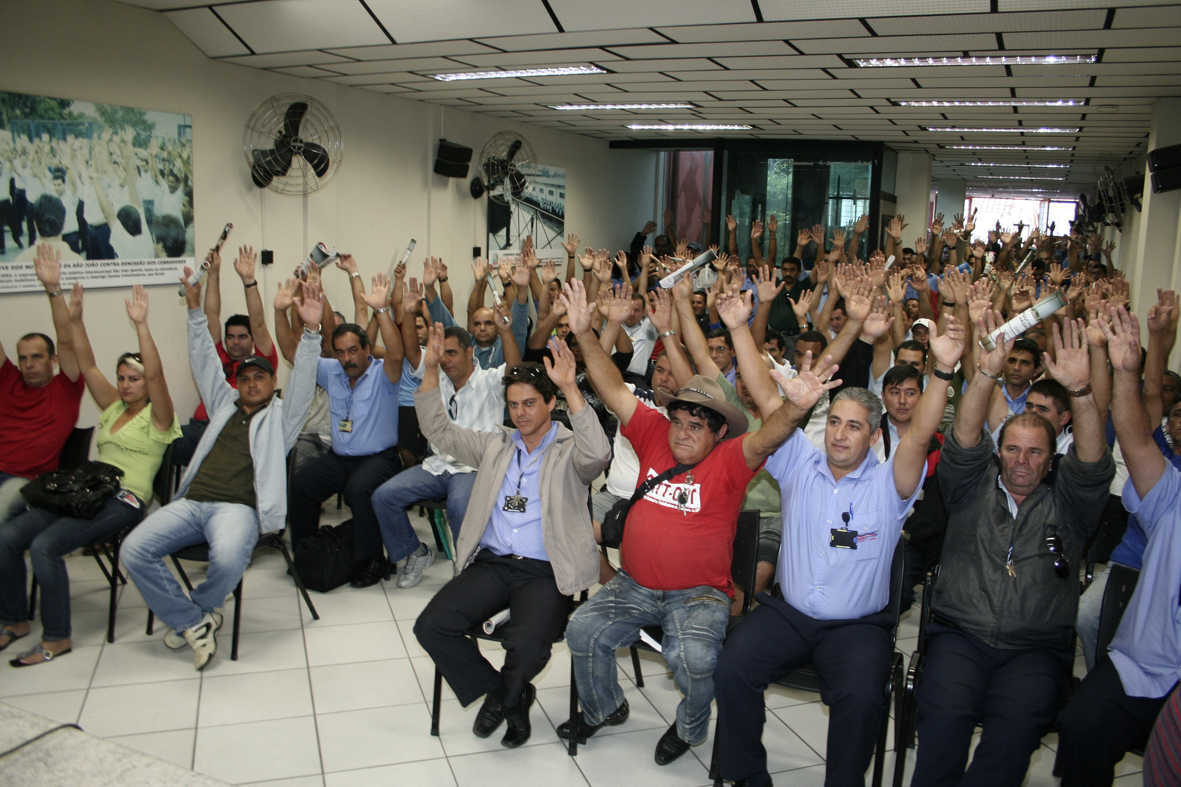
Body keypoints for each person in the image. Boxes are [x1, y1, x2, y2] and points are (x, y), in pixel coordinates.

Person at [557, 279, 816, 766]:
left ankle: (691, 725)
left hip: (698, 591)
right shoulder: (653, 432)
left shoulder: (733, 459)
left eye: (696, 425)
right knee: (582, 630)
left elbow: (771, 436)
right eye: (679, 420)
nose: (681, 432)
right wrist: (585, 333)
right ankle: (605, 707)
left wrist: (798, 407)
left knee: (695, 661)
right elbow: (611, 388)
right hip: (633, 584)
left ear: (719, 431)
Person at [713, 316, 962, 787]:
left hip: (857, 628)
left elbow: (922, 435)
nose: (840, 434)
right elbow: (768, 400)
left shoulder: (892, 483)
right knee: (732, 669)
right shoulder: (798, 462)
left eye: (854, 427)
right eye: (834, 423)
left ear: (872, 437)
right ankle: (749, 777)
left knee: (863, 698)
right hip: (789, 614)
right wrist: (739, 327)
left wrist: (944, 370)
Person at [909, 313, 1114, 787]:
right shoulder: (967, 487)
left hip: (1035, 651)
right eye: (1013, 449)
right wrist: (985, 373)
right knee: (942, 729)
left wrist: (1081, 393)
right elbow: (962, 439)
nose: (1022, 461)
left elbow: (1093, 463)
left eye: (1035, 452)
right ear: (998, 450)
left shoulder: (1072, 504)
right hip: (961, 637)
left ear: (1051, 457)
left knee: (1012, 741)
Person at [412, 326, 610, 749]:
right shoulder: (495, 445)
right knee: (432, 625)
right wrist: (431, 372)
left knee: (527, 643)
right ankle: (509, 698)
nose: (520, 413)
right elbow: (438, 431)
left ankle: (507, 696)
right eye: (513, 405)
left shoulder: (571, 449)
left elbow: (599, 455)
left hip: (545, 571)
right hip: (494, 563)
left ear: (551, 403)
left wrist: (572, 386)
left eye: (530, 403)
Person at [121, 270, 322, 671]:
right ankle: (195, 621)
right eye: (244, 378)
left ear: (271, 383)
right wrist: (195, 309)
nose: (250, 384)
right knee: (134, 550)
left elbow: (302, 379)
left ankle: (200, 608)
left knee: (229, 559)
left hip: (238, 509)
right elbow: (204, 360)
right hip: (192, 502)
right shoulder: (223, 404)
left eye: (260, 378)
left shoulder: (282, 419)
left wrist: (312, 332)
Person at [0, 284, 180, 665]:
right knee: (8, 537)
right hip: (87, 490)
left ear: (147, 382)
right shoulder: (114, 406)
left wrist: (142, 325)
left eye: (134, 378)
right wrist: (77, 320)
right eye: (123, 378)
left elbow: (159, 375)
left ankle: (57, 636)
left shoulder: (159, 417)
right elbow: (85, 362)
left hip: (124, 500)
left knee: (45, 547)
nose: (127, 385)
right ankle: (14, 620)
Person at [1055, 306, 1181, 787]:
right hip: (1145, 663)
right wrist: (1127, 371)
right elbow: (1134, 438)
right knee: (1081, 726)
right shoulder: (1173, 495)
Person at [372, 279, 521, 588]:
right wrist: (411, 311)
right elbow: (412, 351)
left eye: (452, 353)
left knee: (459, 505)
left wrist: (506, 331)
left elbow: (515, 370)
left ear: (470, 352)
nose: (446, 360)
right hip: (437, 464)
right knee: (384, 496)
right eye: (443, 354)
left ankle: (465, 564)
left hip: (473, 468)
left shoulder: (490, 381)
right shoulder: (435, 375)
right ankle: (416, 552)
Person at [288, 272, 405, 588]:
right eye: (340, 352)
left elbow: (396, 353)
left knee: (358, 490)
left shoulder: (384, 374)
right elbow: (292, 355)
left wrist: (381, 311)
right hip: (340, 458)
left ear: (367, 349)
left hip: (380, 459)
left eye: (353, 351)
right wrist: (309, 327)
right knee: (301, 485)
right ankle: (305, 553)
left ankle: (373, 560)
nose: (346, 359)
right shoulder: (332, 371)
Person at [0, 244, 84, 527]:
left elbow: (66, 337)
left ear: (54, 360)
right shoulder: (8, 378)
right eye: (23, 358)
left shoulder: (67, 388)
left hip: (26, 483)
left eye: (37, 357)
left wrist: (53, 288)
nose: (28, 364)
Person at [174, 246, 278, 466]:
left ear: (251, 340)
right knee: (160, 445)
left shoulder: (262, 363)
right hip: (199, 427)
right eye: (230, 337)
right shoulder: (217, 355)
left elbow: (258, 324)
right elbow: (211, 316)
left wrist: (249, 281)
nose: (236, 342)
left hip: (232, 429)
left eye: (242, 337)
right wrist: (214, 274)